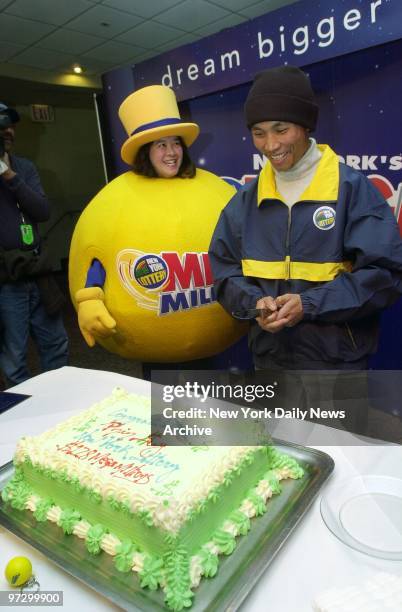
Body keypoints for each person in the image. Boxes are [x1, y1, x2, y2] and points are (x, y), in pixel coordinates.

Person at [209, 65, 402, 372]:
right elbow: (225, 272)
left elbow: (386, 275)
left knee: (335, 424)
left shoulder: (351, 190)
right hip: (269, 358)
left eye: (281, 129)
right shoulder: (244, 202)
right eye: (258, 133)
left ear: (306, 125)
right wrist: (253, 303)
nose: (270, 145)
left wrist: (310, 304)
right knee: (278, 424)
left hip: (337, 364)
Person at [75, 86, 199, 349]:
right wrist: (90, 297)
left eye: (176, 142)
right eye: (161, 145)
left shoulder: (207, 187)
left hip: (213, 332)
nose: (171, 152)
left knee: (212, 388)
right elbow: (103, 247)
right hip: (155, 342)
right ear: (145, 151)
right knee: (161, 389)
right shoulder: (120, 197)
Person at [0, 102, 68, 387]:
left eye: (10, 127)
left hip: (38, 270)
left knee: (56, 344)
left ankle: (60, 400)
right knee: (14, 356)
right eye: (2, 128)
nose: (9, 132)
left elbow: (41, 211)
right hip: (6, 279)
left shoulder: (24, 168)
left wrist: (9, 175)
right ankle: (24, 416)